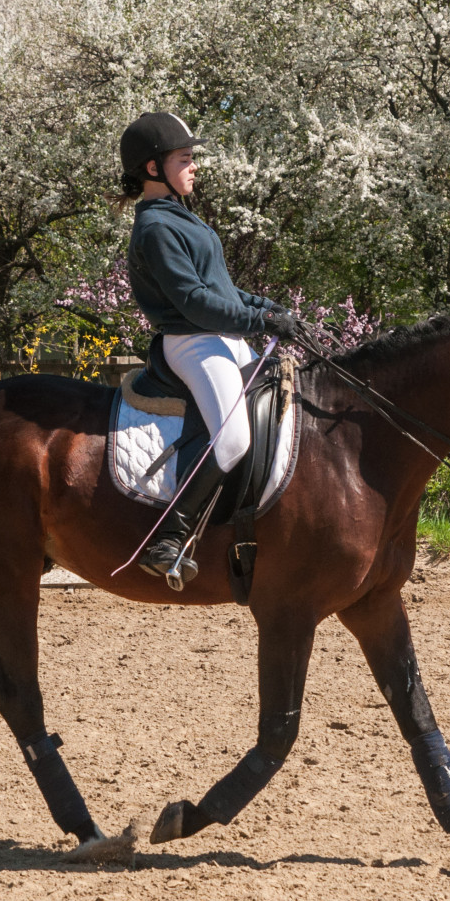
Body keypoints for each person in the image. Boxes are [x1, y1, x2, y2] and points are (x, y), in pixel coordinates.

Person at [117, 111, 299, 585]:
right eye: (185, 158)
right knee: (234, 437)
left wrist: (267, 308)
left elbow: (223, 291)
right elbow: (195, 303)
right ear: (154, 168)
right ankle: (169, 538)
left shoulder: (182, 218)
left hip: (221, 336)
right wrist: (259, 320)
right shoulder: (157, 228)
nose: (194, 166)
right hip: (192, 341)